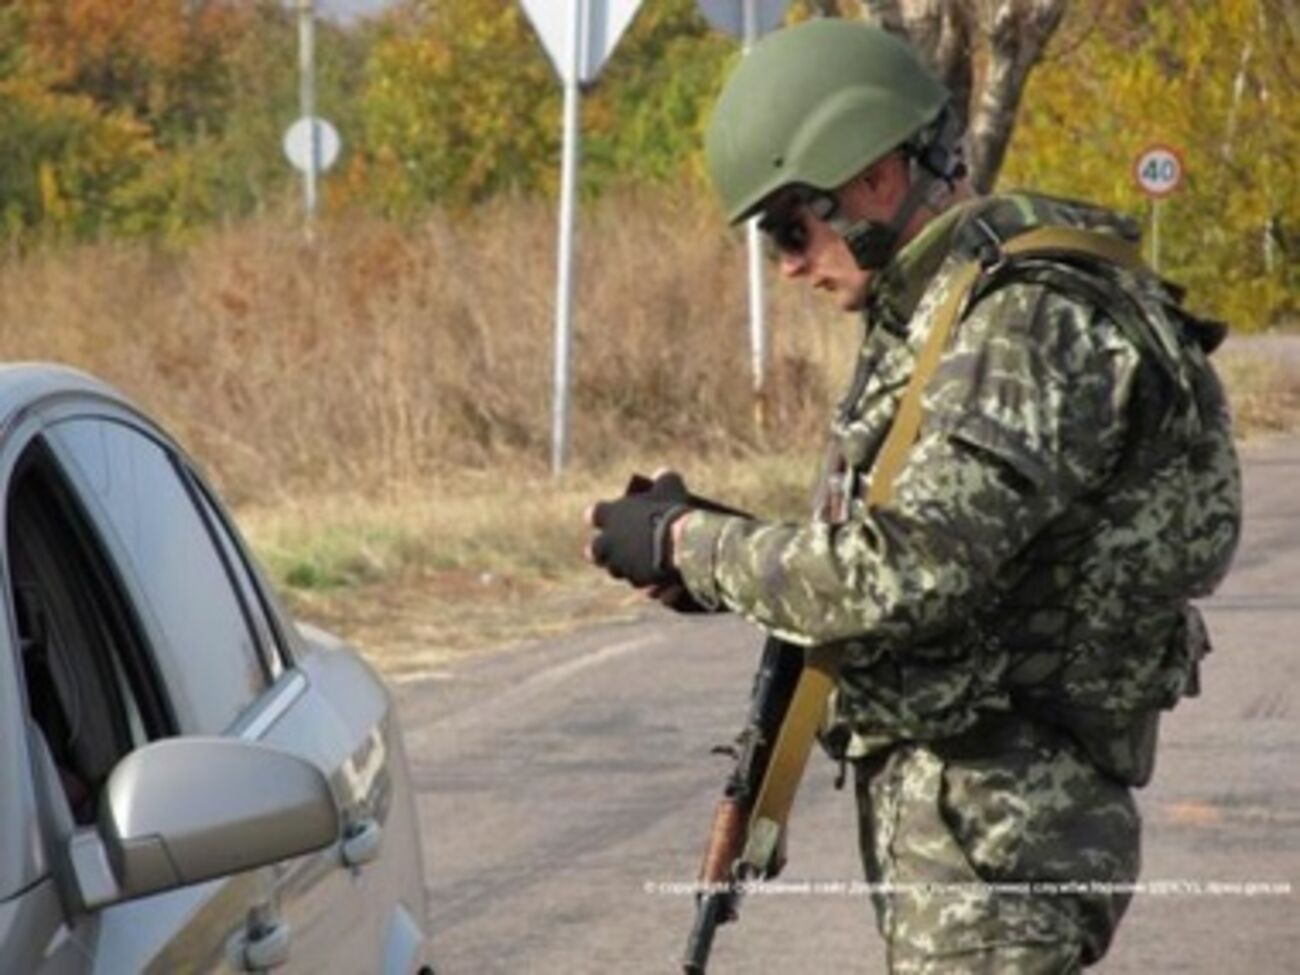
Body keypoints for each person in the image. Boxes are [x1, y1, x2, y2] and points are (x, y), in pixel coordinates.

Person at [584, 18, 1241, 974]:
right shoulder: (947, 311)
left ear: (877, 179)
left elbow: (910, 569)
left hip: (1001, 844)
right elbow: (922, 543)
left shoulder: (1021, 321)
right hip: (970, 826)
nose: (788, 264)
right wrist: (725, 553)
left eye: (791, 227)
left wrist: (694, 546)